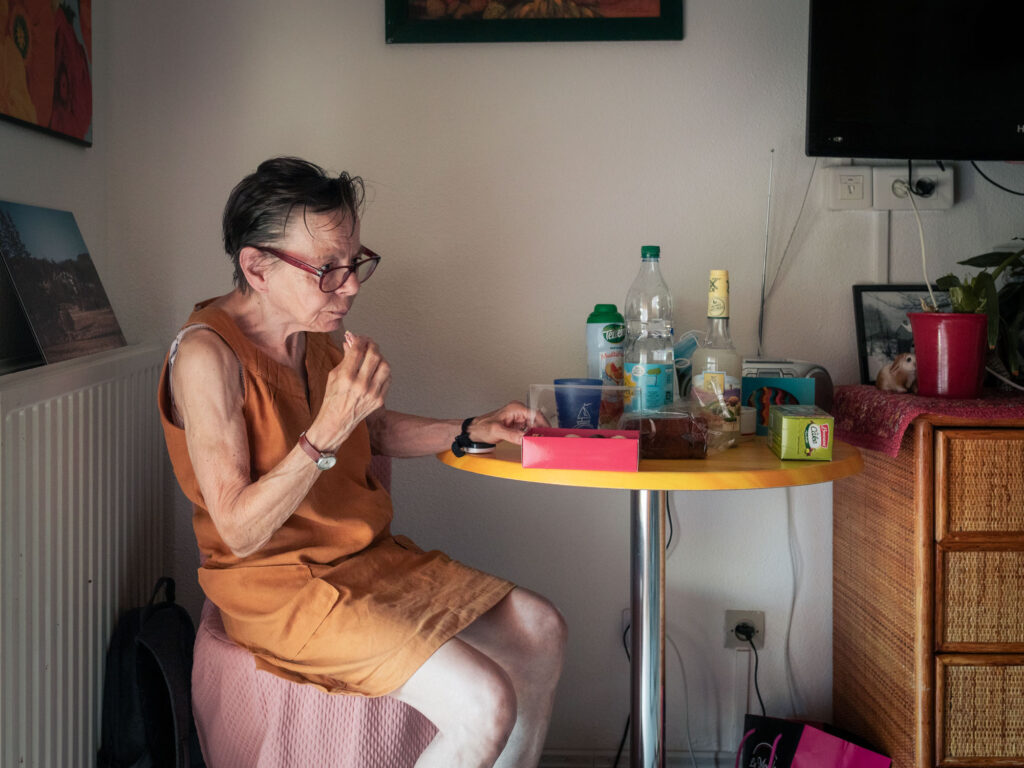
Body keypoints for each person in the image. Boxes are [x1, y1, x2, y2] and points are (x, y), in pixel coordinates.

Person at [158, 157, 566, 768]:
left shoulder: (309, 331)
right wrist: (329, 426)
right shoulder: (205, 356)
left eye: (354, 263)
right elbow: (238, 529)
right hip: (279, 587)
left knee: (541, 630)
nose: (349, 286)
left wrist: (469, 429)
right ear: (257, 267)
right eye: (327, 269)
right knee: (483, 702)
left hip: (363, 558)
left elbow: (368, 431)